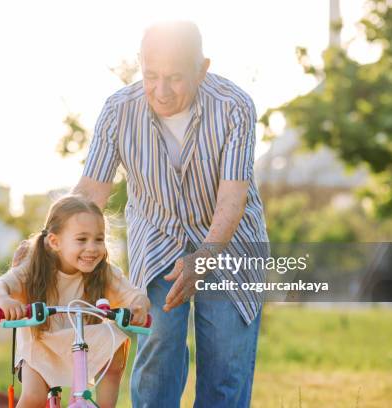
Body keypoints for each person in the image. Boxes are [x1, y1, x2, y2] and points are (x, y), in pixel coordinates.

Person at [73, 21, 269, 407]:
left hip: (229, 243)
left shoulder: (235, 106)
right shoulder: (117, 110)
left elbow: (232, 197)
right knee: (158, 341)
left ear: (202, 69)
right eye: (151, 76)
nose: (161, 92)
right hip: (158, 235)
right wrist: (44, 245)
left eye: (175, 79)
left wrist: (206, 256)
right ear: (140, 65)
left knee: (225, 366)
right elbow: (89, 192)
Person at [0, 195, 151, 408]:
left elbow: (135, 295)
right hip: (41, 342)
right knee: (35, 398)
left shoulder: (103, 272)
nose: (92, 248)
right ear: (55, 242)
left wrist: (138, 306)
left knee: (114, 343)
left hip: (84, 341)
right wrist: (6, 301)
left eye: (99, 239)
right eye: (82, 239)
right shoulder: (35, 268)